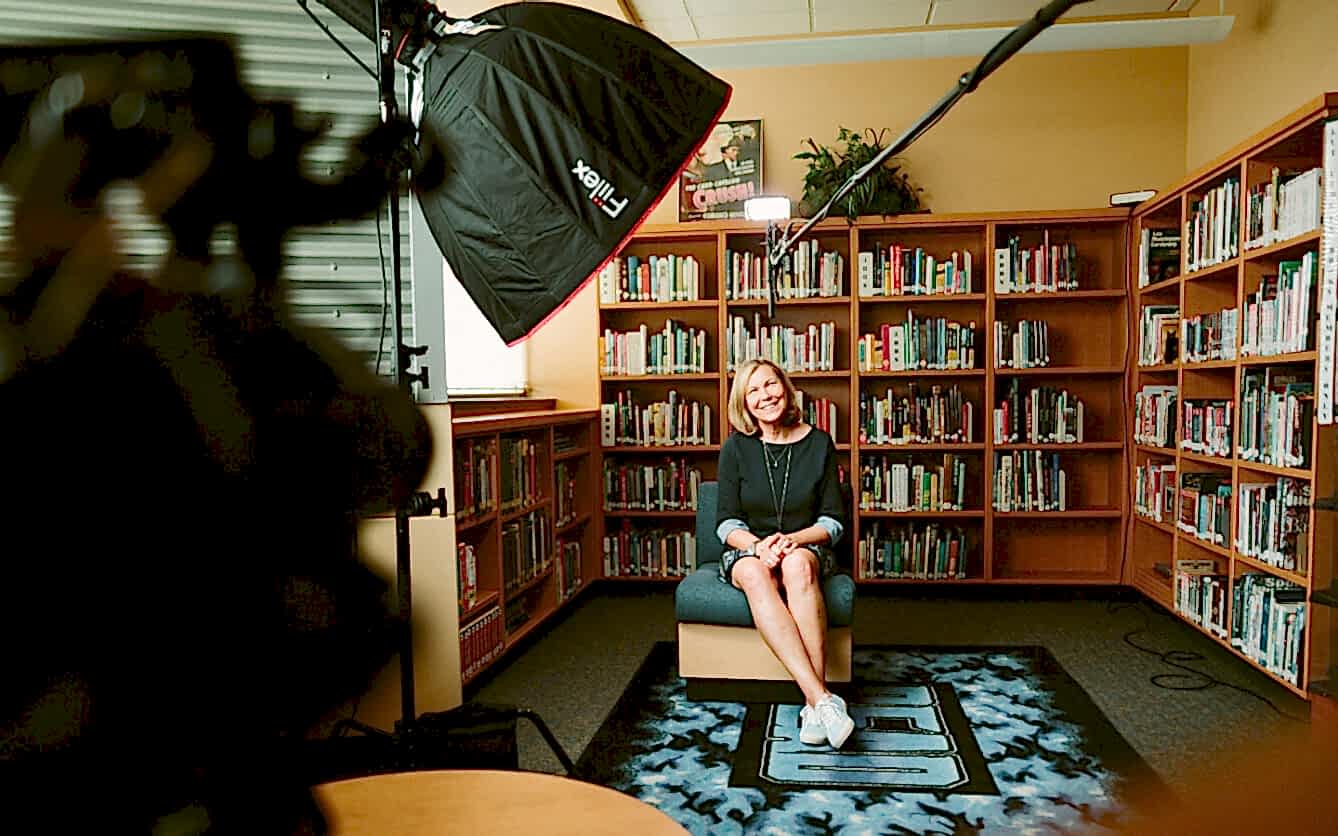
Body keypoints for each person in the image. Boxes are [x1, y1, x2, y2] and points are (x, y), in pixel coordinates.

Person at [716, 358, 854, 748]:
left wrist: (791, 540)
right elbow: (726, 523)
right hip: (749, 550)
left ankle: (813, 706)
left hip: (803, 545)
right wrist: (759, 547)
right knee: (757, 573)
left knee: (796, 566)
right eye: (753, 391)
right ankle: (821, 699)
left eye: (770, 385)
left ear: (786, 388)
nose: (765, 396)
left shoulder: (819, 442)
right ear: (744, 403)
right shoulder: (735, 449)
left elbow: (832, 521)